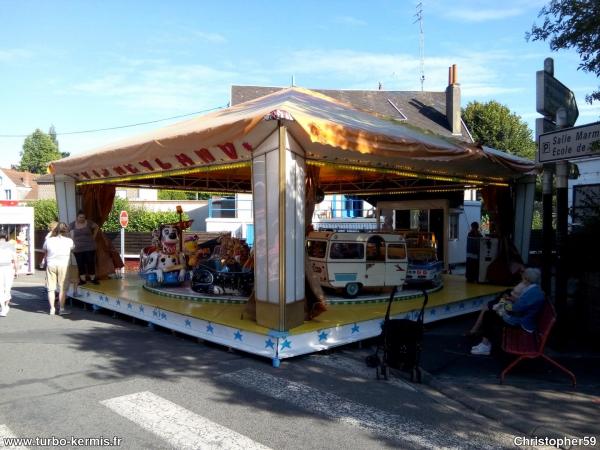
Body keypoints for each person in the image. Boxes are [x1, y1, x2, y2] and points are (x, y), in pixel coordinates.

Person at [471, 268, 545, 356]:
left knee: (489, 315)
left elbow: (516, 308)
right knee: (491, 313)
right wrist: (505, 304)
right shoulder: (534, 289)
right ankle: (485, 343)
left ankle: (485, 345)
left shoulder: (533, 293)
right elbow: (520, 305)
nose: (522, 279)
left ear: (527, 279)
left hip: (521, 323)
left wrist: (503, 306)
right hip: (521, 318)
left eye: (524, 277)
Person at [466, 268, 528, 336]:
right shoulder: (523, 286)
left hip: (512, 319)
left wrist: (504, 303)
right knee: (488, 310)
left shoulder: (526, 291)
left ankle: (478, 333)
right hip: (509, 309)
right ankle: (479, 333)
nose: (521, 273)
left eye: (523, 272)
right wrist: (505, 300)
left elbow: (515, 308)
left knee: (489, 312)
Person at [43, 222, 74, 315]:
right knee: (62, 288)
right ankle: (61, 309)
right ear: (66, 231)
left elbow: (45, 250)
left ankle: (52, 309)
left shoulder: (49, 240)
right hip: (63, 265)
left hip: (51, 264)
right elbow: (72, 248)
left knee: (51, 288)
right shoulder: (69, 241)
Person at [70, 210, 99, 285]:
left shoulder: (89, 222)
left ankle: (93, 279)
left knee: (90, 262)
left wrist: (93, 236)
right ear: (77, 217)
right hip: (78, 248)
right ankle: (82, 280)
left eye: (83, 217)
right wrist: (71, 245)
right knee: (80, 264)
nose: (82, 219)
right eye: (80, 217)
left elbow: (96, 227)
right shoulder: (72, 224)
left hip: (89, 247)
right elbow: (70, 235)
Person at [0, 232, 18, 317]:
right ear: (6, 237)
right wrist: (16, 271)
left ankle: (3, 307)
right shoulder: (11, 246)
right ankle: (6, 306)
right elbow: (15, 260)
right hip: (8, 267)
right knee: (7, 288)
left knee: (0, 288)